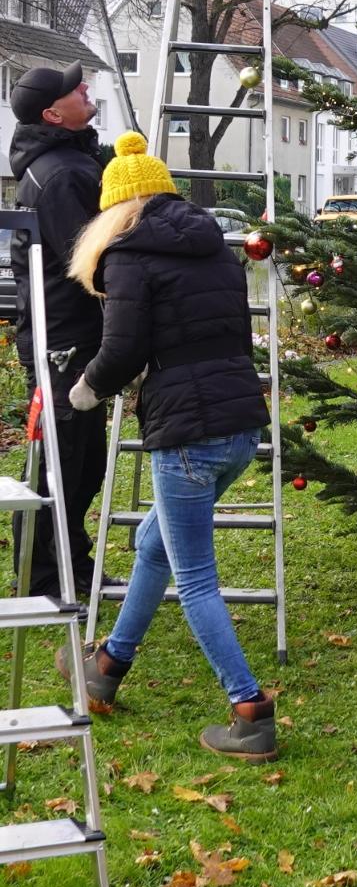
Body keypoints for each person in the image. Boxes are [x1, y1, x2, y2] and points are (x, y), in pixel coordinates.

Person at [58, 132, 275, 761]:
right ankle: (108, 666)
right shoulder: (213, 246)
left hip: (187, 434)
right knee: (154, 542)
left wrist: (84, 392)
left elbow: (123, 349)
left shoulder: (128, 255)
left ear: (117, 210)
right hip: (238, 424)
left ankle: (250, 709)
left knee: (195, 577)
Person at [7, 62, 108, 599]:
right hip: (63, 338)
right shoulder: (63, 174)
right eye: (74, 89)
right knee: (65, 461)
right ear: (52, 113)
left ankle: (67, 565)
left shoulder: (69, 160)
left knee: (81, 459)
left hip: (69, 332)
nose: (84, 88)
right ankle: (46, 577)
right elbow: (87, 257)